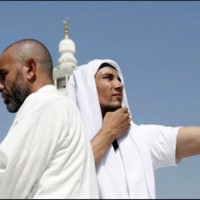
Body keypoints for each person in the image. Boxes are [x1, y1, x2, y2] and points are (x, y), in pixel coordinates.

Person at [67, 58, 200, 199]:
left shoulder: (140, 138)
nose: (119, 85)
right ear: (86, 87)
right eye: (108, 78)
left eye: (119, 79)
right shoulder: (69, 141)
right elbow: (69, 176)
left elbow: (190, 140)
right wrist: (108, 132)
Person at [0, 39, 99, 199]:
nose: (0, 86)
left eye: (3, 75)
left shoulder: (42, 103)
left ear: (30, 69)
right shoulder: (67, 108)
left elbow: (6, 177)